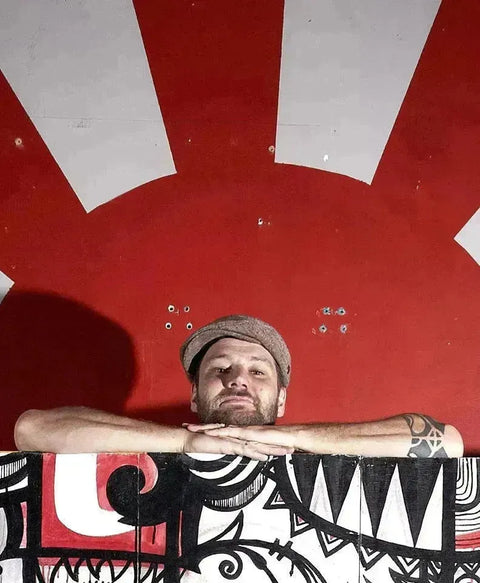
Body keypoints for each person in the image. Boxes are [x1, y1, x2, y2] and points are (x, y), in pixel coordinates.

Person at [14, 314, 464, 459]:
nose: (238, 380)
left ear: (281, 398)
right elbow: (31, 430)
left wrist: (289, 438)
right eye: (221, 368)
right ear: (194, 394)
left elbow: (447, 442)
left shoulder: (302, 442)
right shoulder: (152, 444)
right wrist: (186, 442)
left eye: (258, 371)